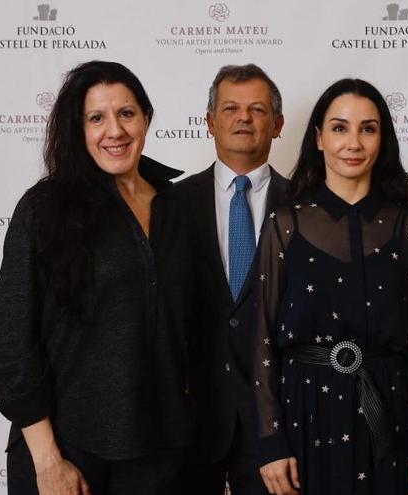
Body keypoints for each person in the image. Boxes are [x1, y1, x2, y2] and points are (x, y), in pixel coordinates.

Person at [0, 60, 191, 494]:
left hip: (159, 456)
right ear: (77, 129)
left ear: (147, 118)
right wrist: (48, 461)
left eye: (127, 113)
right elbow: (11, 345)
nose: (114, 130)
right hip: (70, 455)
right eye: (96, 118)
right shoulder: (44, 209)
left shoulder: (177, 205)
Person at [253, 78, 408, 495]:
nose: (353, 142)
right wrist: (270, 441)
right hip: (306, 407)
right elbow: (262, 339)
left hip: (387, 408)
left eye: (367, 129)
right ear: (318, 137)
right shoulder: (286, 224)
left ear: (382, 140)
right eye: (339, 128)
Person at [173, 64, 288, 495]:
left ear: (276, 125)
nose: (244, 118)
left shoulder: (307, 207)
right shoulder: (168, 206)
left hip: (273, 422)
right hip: (188, 421)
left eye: (257, 109)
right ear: (209, 122)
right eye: (231, 108)